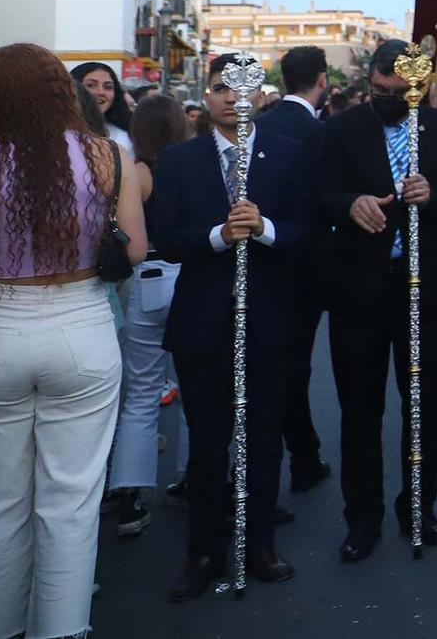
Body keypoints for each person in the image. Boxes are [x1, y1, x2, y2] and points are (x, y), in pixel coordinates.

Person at [0, 42, 147, 639]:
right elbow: (132, 249)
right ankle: (60, 630)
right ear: (65, 92)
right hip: (82, 327)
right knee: (72, 502)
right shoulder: (108, 156)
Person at [146, 53, 312, 598]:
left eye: (242, 89)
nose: (231, 98)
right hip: (203, 322)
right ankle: (203, 551)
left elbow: (307, 232)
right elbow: (167, 237)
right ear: (208, 93)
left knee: (265, 437)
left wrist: (265, 229)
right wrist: (218, 236)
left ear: (260, 94)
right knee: (208, 442)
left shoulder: (289, 155)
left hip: (268, 320)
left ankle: (259, 543)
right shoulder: (179, 161)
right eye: (220, 87)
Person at [316, 37, 437, 562]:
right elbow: (319, 194)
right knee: (359, 407)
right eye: (378, 89)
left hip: (422, 286)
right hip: (357, 287)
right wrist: (349, 203)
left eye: (397, 90)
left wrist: (435, 197)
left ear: (419, 86)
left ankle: (419, 510)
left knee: (421, 403)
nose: (386, 97)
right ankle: (361, 519)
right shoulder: (341, 129)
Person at [107, 93, 193, 538]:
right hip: (192, 279)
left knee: (140, 392)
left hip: (148, 279)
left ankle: (130, 496)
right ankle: (192, 478)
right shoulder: (193, 167)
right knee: (198, 386)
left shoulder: (136, 172)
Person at [254, 44, 335, 497]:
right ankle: (302, 456)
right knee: (294, 366)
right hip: (305, 264)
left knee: (267, 365)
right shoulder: (319, 131)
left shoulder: (259, 124)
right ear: (321, 80)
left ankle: (286, 456)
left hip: (263, 260)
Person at [71, 60, 134, 147]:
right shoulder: (58, 132)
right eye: (91, 85)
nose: (101, 92)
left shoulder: (127, 135)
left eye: (108, 87)